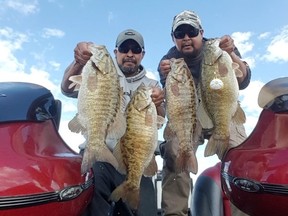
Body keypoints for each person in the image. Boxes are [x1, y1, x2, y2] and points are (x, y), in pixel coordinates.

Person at [61, 29, 165, 216]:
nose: (130, 54)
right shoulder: (103, 74)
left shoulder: (152, 86)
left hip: (136, 160)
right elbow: (67, 89)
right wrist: (78, 62)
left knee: (146, 210)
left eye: (136, 50)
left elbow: (159, 121)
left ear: (143, 54)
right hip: (100, 157)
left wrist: (158, 104)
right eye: (125, 49)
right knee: (92, 199)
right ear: (116, 52)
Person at [157, 10, 251, 216]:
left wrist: (232, 53)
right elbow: (172, 100)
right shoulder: (169, 60)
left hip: (222, 110)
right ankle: (174, 213)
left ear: (201, 32)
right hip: (189, 114)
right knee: (174, 151)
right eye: (179, 34)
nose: (186, 38)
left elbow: (243, 80)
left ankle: (243, 211)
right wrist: (165, 75)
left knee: (237, 154)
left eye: (191, 31)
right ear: (173, 38)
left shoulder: (221, 49)